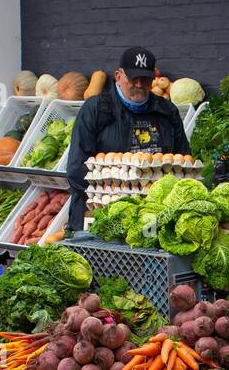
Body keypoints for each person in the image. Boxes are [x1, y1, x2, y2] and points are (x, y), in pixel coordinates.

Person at [64, 47, 191, 232]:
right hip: (100, 217)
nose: (139, 84)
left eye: (146, 79)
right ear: (118, 76)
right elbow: (76, 170)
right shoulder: (96, 109)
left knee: (147, 259)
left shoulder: (166, 112)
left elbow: (182, 161)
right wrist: (112, 202)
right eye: (133, 78)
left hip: (150, 220)